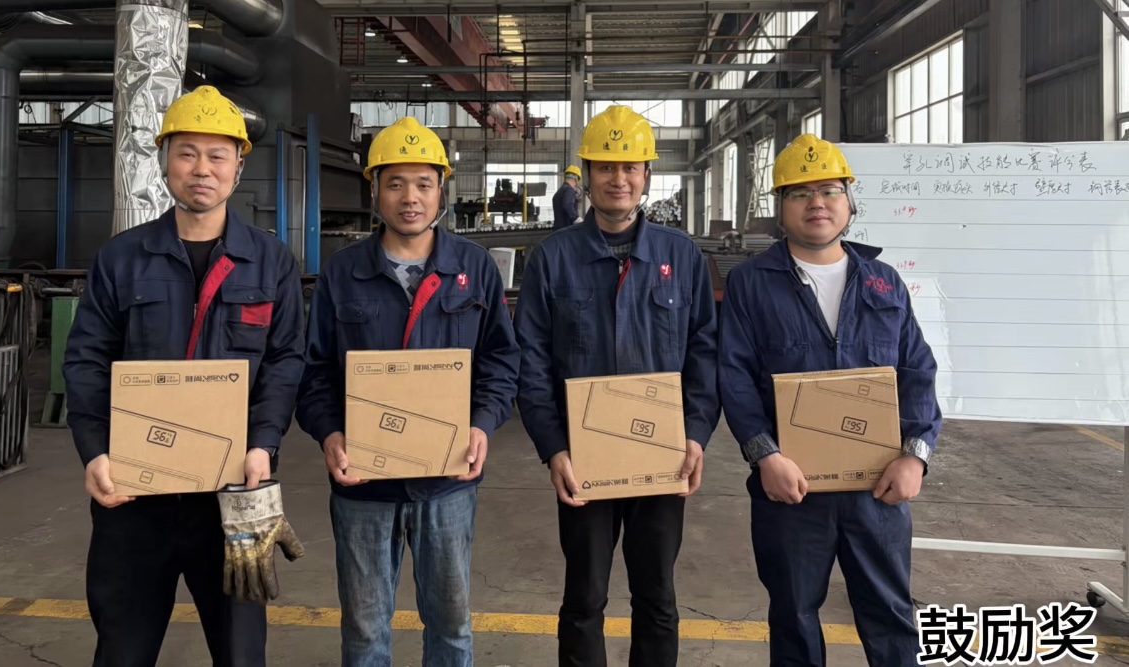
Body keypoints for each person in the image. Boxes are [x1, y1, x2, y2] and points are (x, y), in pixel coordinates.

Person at [62, 85, 306, 667]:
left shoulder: (271, 262)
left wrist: (263, 444)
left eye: (218, 155)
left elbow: (285, 360)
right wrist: (95, 452)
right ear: (164, 159)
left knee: (241, 653)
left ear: (238, 166)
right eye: (187, 153)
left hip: (232, 495)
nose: (202, 169)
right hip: (135, 495)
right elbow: (86, 360)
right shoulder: (121, 259)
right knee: (122, 651)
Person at [295, 116, 520, 666]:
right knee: (365, 631)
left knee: (451, 626)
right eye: (395, 183)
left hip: (446, 485)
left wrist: (482, 423)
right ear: (375, 190)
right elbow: (313, 369)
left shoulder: (473, 269)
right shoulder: (343, 274)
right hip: (364, 488)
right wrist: (329, 434)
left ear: (442, 190)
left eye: (423, 183)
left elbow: (500, 359)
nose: (410, 198)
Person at [716, 133, 942, 667]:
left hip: (877, 488)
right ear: (780, 206)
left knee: (890, 616)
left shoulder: (884, 284)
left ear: (849, 201)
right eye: (800, 192)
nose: (816, 202)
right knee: (793, 616)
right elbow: (735, 376)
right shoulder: (751, 284)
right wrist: (764, 455)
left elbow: (917, 372)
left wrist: (916, 455)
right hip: (791, 491)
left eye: (829, 190)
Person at [513, 105, 719, 667]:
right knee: (584, 598)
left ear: (647, 174)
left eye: (630, 167)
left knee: (657, 597)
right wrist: (553, 448)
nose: (618, 179)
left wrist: (695, 435)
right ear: (586, 174)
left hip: (663, 455)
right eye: (605, 166)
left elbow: (705, 353)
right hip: (584, 458)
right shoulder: (553, 259)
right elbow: (531, 362)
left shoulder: (681, 256)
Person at [552, 164, 582, 229]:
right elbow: (567, 205)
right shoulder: (569, 190)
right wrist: (576, 219)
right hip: (567, 229)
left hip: (559, 230)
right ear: (575, 179)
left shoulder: (559, 192)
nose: (576, 185)